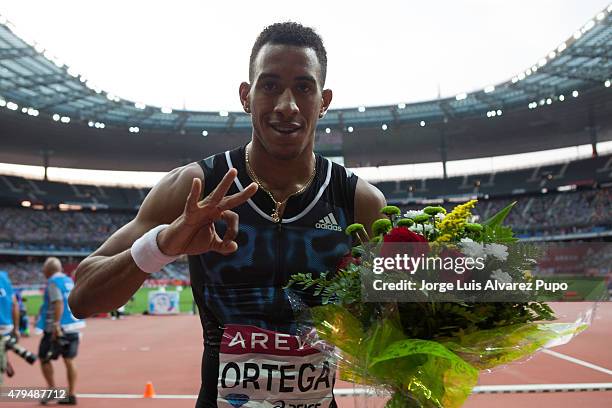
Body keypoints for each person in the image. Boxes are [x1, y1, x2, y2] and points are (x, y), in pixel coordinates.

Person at [69, 22, 385, 407]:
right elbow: (82, 298)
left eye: (303, 87)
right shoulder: (194, 187)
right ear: (246, 96)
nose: (287, 105)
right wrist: (165, 243)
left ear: (324, 100)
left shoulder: (360, 202)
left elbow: (413, 320)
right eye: (270, 85)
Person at [37, 257, 85, 405]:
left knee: (44, 358)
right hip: (74, 326)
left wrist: (56, 325)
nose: (42, 271)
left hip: (58, 328)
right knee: (69, 359)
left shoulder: (53, 282)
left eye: (44, 268)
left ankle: (52, 390)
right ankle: (71, 394)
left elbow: (58, 302)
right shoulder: (68, 281)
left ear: (49, 269)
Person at [0, 270, 20, 385]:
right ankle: (4, 361)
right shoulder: (4, 277)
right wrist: (16, 329)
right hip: (5, 327)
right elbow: (15, 304)